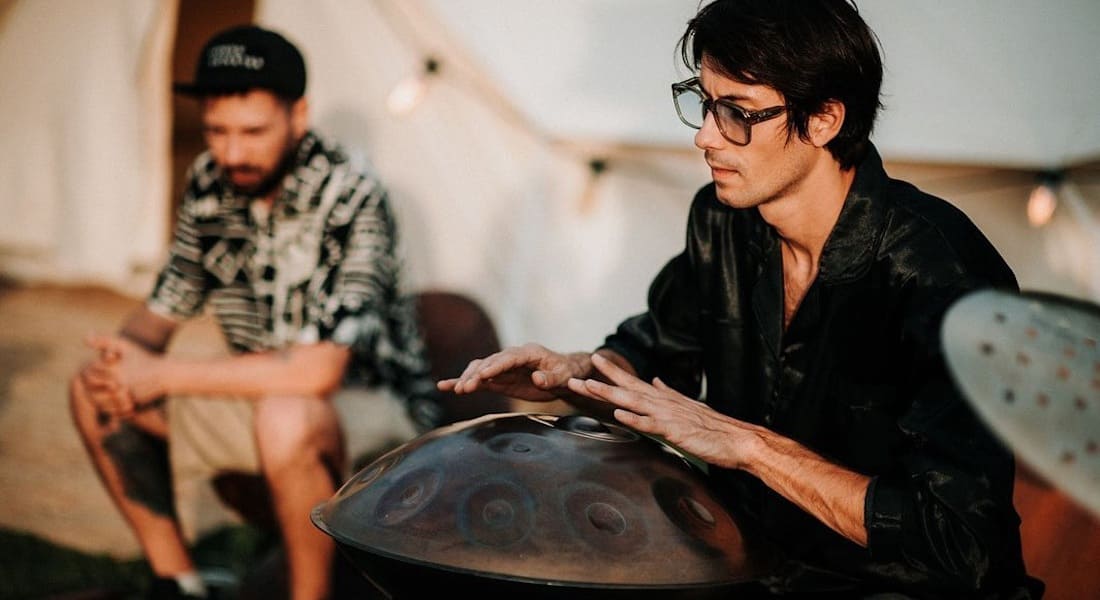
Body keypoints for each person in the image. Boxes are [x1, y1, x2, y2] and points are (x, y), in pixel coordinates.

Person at [440, 1, 1045, 597]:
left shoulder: (943, 273)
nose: (705, 136)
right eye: (704, 103)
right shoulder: (721, 219)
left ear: (825, 120)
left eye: (738, 113)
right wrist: (569, 377)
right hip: (746, 570)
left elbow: (963, 542)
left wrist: (749, 447)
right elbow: (656, 355)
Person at [69, 24, 433, 600]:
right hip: (268, 400)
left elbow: (319, 372)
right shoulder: (211, 183)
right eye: (217, 131)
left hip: (378, 419)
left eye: (253, 131)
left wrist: (158, 374)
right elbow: (161, 311)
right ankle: (178, 584)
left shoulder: (352, 192)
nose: (232, 152)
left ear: (299, 114)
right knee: (92, 391)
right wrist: (122, 361)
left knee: (286, 414)